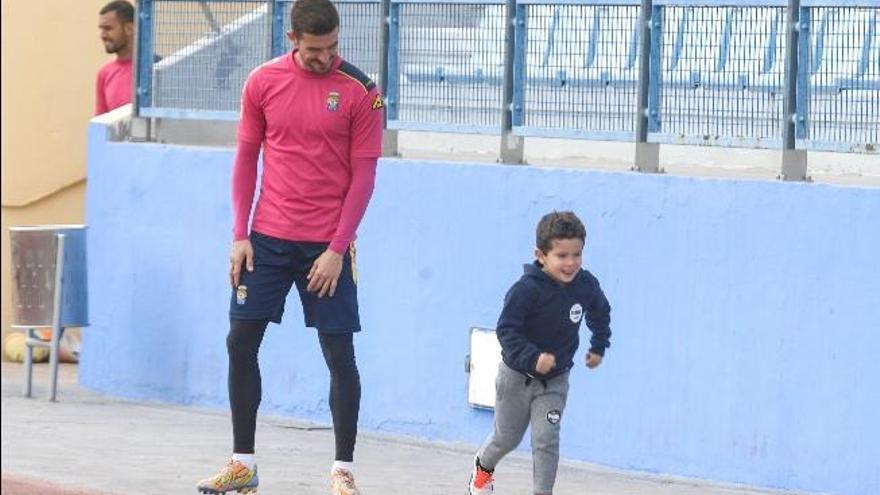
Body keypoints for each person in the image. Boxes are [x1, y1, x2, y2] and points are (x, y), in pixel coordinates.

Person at [196, 0, 383, 493]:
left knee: (339, 353)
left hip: (327, 246)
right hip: (268, 240)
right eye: (317, 49)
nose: (328, 57)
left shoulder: (362, 91)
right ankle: (243, 465)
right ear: (292, 39)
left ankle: (343, 471)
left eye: (334, 46)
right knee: (240, 341)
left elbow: (364, 178)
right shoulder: (262, 82)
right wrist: (240, 234)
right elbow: (245, 160)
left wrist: (338, 249)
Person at [468, 211, 612, 495]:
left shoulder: (585, 285)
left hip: (555, 381)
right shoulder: (525, 291)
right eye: (562, 255)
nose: (571, 263)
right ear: (541, 255)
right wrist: (533, 357)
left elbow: (600, 312)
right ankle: (483, 470)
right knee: (506, 438)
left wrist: (598, 345)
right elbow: (507, 331)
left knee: (546, 440)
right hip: (515, 378)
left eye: (577, 255)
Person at [95, 0, 134, 115]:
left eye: (108, 28)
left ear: (129, 29)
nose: (102, 35)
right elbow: (101, 122)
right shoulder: (104, 74)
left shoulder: (154, 68)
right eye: (101, 29)